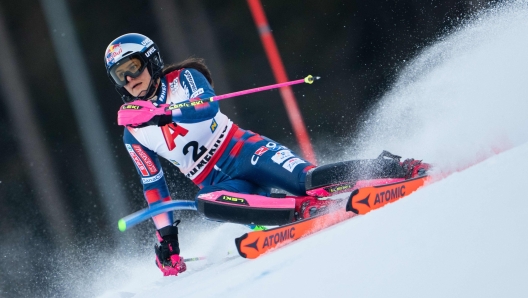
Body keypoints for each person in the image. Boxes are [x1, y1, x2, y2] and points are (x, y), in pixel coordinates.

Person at [104, 33, 429, 276]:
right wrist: (167, 240)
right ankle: (299, 212)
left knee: (307, 180)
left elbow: (207, 107)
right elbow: (154, 187)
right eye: (121, 74)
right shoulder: (133, 132)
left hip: (245, 150)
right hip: (222, 182)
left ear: (151, 61)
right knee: (207, 203)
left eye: (133, 67)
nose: (131, 79)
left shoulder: (184, 79)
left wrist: (162, 114)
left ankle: (391, 166)